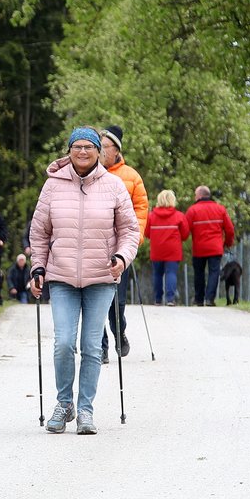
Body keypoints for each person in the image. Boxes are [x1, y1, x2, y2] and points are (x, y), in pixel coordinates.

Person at [29, 126, 139, 435]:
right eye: (76, 146)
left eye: (88, 147)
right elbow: (39, 232)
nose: (82, 152)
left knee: (91, 346)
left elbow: (130, 230)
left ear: (98, 152)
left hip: (101, 276)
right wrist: (38, 267)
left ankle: (86, 409)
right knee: (64, 343)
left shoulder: (114, 185)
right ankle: (64, 403)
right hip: (61, 276)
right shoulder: (53, 185)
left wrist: (122, 257)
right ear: (69, 151)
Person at [98, 124, 147, 364]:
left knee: (117, 301)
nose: (100, 151)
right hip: (95, 245)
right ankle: (100, 347)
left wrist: (134, 238)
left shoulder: (131, 176)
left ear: (116, 149)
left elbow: (141, 209)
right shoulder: (89, 173)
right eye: (99, 146)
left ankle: (119, 331)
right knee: (95, 299)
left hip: (121, 248)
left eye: (105, 147)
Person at [185, 185, 235, 306]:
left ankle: (199, 299)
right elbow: (230, 230)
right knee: (214, 272)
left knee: (199, 273)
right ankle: (209, 299)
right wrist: (227, 243)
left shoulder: (192, 210)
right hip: (215, 248)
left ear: (200, 196)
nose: (194, 197)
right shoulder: (220, 209)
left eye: (195, 195)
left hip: (199, 248)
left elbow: (185, 230)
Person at [145, 189, 190, 306]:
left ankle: (158, 299)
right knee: (171, 273)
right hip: (173, 250)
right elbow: (185, 234)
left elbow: (146, 233)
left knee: (157, 274)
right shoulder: (179, 216)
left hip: (157, 249)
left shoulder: (151, 216)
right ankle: (170, 299)